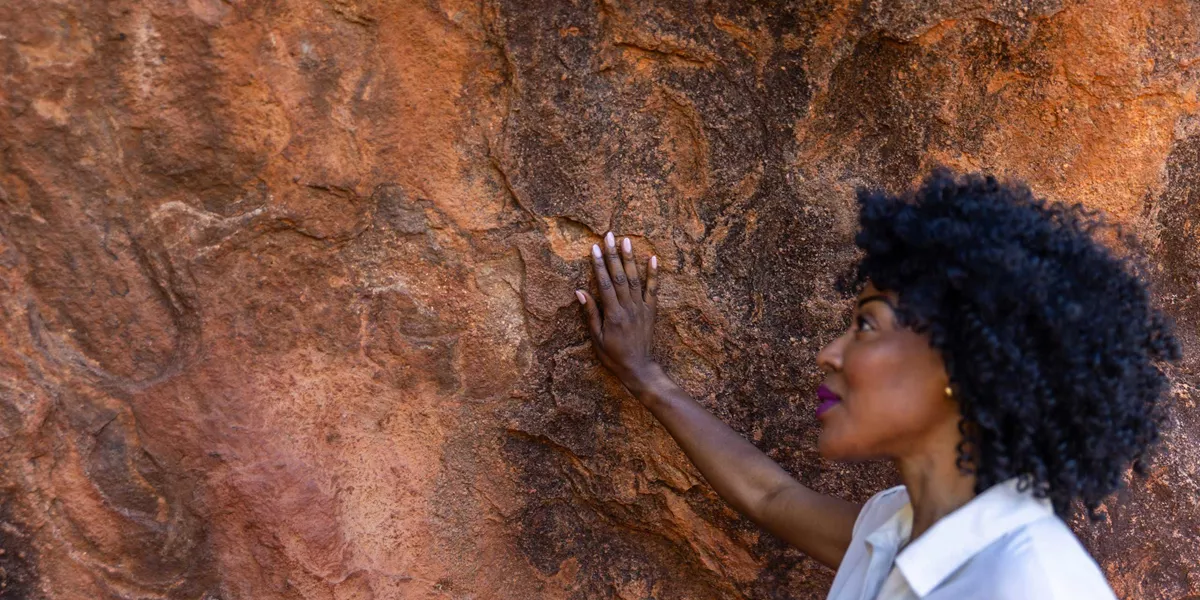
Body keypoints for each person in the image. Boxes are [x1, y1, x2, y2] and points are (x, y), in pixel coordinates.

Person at [572, 167, 1181, 599]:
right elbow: (771, 498)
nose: (827, 354)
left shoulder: (1030, 584)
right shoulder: (898, 526)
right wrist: (647, 378)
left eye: (867, 325)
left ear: (965, 365)